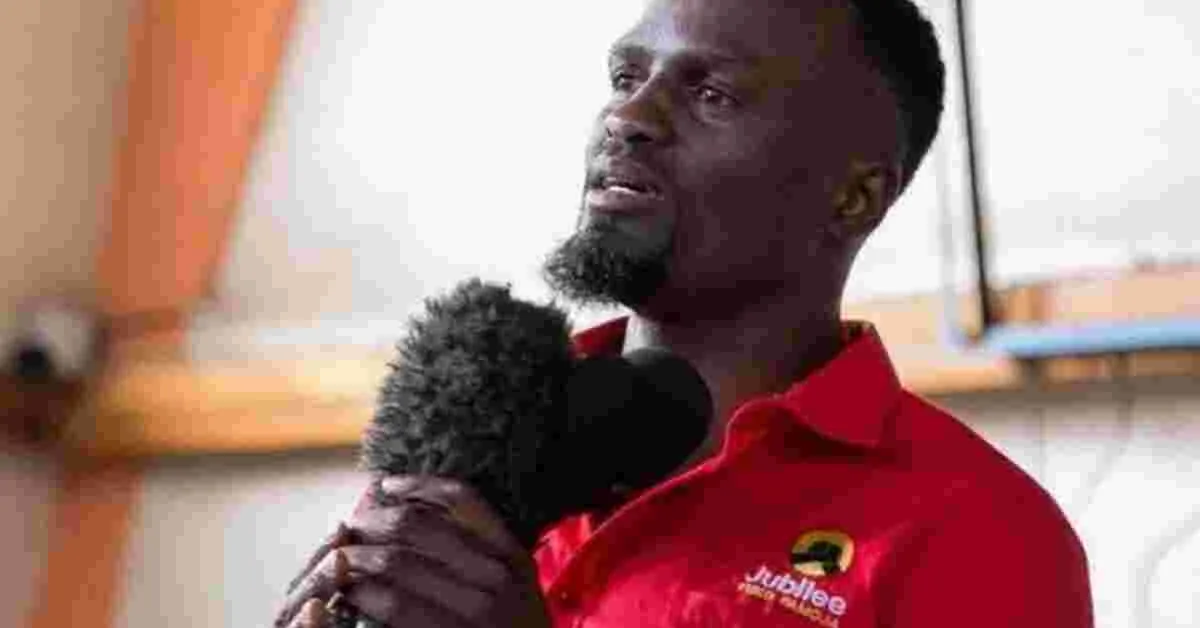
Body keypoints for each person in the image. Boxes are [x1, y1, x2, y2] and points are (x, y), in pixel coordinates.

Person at [275, 0, 1094, 626]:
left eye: (711, 94)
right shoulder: (484, 446)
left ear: (854, 196)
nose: (628, 118)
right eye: (625, 78)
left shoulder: (980, 529)